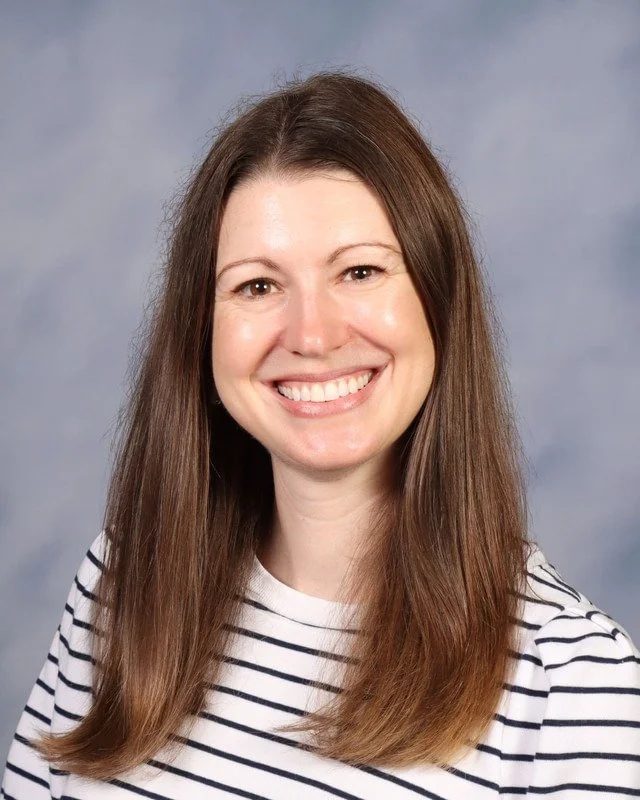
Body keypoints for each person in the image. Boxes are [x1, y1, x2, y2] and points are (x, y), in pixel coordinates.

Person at [2, 71, 639, 799]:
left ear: (438, 300)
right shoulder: (125, 586)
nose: (312, 334)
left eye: (360, 271)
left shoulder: (575, 687)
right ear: (201, 329)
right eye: (258, 286)